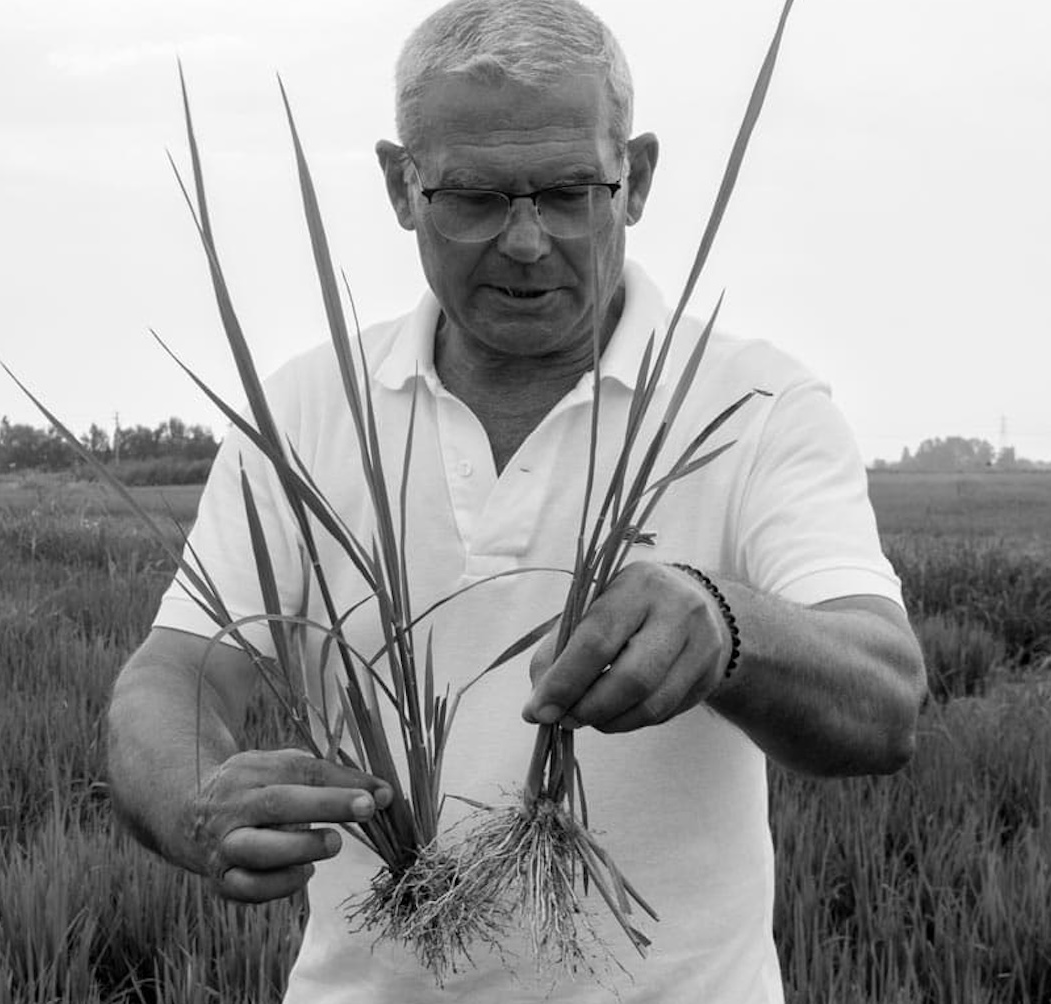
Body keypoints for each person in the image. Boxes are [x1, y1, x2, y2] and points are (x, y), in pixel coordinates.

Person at [103, 1, 926, 1000]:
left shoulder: (754, 407)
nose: (528, 241)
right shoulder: (309, 409)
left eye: (570, 191)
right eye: (476, 198)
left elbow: (883, 695)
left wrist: (725, 623)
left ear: (639, 178)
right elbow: (176, 675)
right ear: (402, 186)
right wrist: (197, 799)